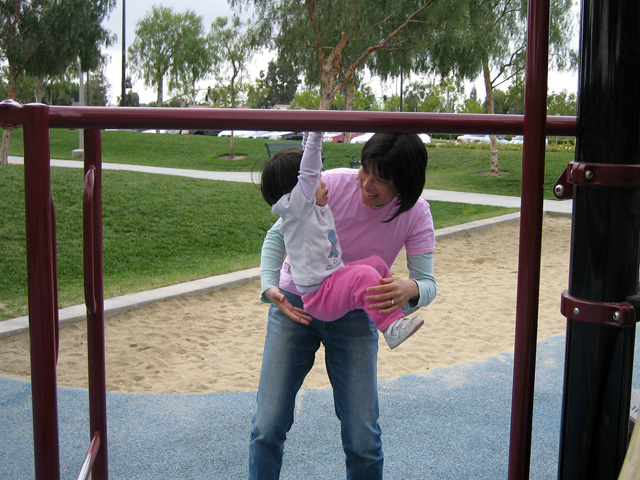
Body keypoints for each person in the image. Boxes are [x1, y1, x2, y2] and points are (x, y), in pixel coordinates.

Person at [249, 133, 437, 480]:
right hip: (297, 305)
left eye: (381, 178)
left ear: (405, 182)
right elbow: (278, 235)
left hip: (355, 313)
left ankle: (392, 327)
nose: (366, 183)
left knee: (363, 437)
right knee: (267, 424)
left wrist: (410, 289)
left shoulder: (417, 214)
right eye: (365, 169)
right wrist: (269, 285)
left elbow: (427, 284)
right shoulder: (331, 184)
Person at [260, 131, 425, 349]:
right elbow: (308, 171)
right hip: (318, 295)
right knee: (365, 274)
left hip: (333, 281)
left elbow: (309, 168)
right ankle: (390, 329)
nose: (323, 181)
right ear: (301, 192)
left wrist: (308, 135)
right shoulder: (300, 209)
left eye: (380, 179)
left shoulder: (310, 204)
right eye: (316, 180)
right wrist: (317, 134)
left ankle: (394, 317)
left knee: (375, 264)